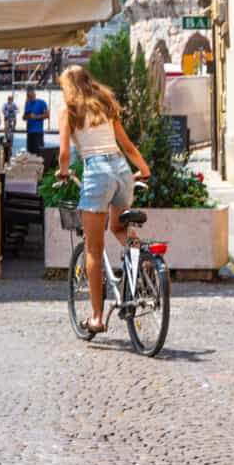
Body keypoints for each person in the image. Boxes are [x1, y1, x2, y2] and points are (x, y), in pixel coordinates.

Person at [56, 66, 151, 335]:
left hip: (97, 171)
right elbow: (128, 146)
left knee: (93, 250)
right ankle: (144, 261)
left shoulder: (69, 111)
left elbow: (64, 153)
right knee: (119, 228)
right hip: (121, 168)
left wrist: (63, 172)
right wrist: (144, 170)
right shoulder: (106, 105)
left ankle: (97, 317)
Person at [23, 88, 49, 155]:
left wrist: (35, 116)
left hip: (38, 132)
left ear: (34, 95)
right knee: (30, 154)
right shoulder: (27, 103)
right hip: (29, 132)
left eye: (31, 96)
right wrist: (26, 116)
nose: (30, 98)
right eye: (28, 97)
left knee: (39, 154)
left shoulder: (41, 103)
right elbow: (24, 117)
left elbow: (47, 115)